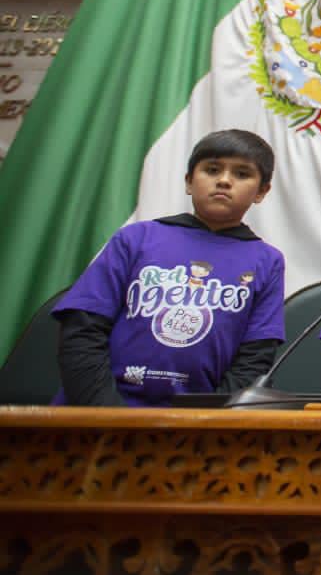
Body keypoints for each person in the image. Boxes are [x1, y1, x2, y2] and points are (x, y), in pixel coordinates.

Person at [53, 129, 286, 406]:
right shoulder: (135, 239)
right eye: (212, 170)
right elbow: (83, 330)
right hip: (98, 415)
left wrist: (207, 419)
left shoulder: (267, 261)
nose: (224, 181)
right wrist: (107, 413)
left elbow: (255, 358)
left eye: (241, 174)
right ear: (189, 181)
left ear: (261, 191)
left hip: (196, 429)